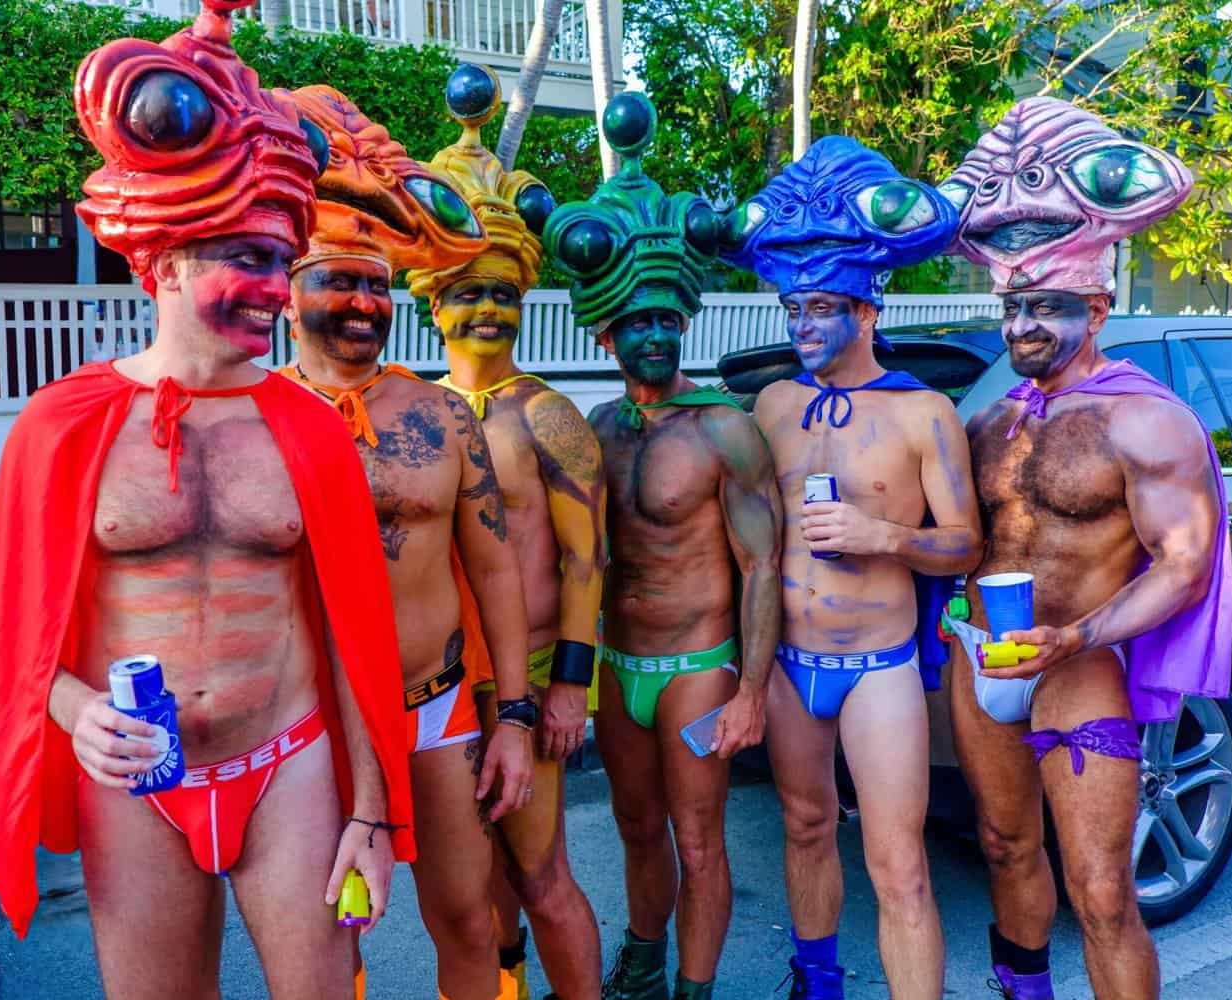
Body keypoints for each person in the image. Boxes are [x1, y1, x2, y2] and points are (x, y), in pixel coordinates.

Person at [0, 5, 415, 999]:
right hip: (134, 786)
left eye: (283, 263)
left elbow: (352, 634)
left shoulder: (310, 428)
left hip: (289, 764)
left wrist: (370, 816)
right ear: (161, 261)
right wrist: (77, 711)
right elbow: (8, 630)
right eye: (248, 259)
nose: (275, 289)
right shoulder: (63, 424)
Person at [940, 96, 1230, 1000]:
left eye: (1048, 306)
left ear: (1097, 306)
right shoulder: (986, 422)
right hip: (981, 657)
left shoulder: (1144, 420)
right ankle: (1023, 990)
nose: (1023, 323)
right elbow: (956, 543)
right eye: (1013, 305)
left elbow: (1185, 564)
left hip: (1078, 661)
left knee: (1101, 892)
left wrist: (1078, 636)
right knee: (1000, 846)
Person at [277, 82, 532, 1000]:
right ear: (288, 290)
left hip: (436, 709)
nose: (361, 300)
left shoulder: (442, 415)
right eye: (337, 280)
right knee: (327, 935)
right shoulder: (255, 422)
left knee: (466, 915)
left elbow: (494, 566)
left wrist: (512, 716)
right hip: (309, 725)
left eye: (378, 285)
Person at [719, 137, 982, 1000]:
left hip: (880, 668)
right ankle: (817, 982)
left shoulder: (924, 413)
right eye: (794, 309)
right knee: (803, 824)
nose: (802, 326)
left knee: (897, 860)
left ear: (867, 311)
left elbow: (965, 544)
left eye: (822, 308)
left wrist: (884, 538)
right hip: (791, 664)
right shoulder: (772, 404)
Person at [543, 92, 782, 1000]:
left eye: (664, 321)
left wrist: (751, 691)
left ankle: (695, 985)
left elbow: (762, 565)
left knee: (698, 838)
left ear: (682, 323)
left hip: (698, 665)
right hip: (616, 662)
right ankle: (644, 959)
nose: (650, 335)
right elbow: (570, 555)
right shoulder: (594, 429)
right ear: (605, 331)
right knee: (638, 831)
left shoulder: (725, 429)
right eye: (634, 322)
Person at [407, 64, 603, 1000]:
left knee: (541, 874)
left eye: (503, 293)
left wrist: (569, 690)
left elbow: (585, 560)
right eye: (466, 293)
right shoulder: (412, 416)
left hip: (529, 685)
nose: (486, 308)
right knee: (471, 886)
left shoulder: (549, 415)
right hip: (448, 689)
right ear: (431, 304)